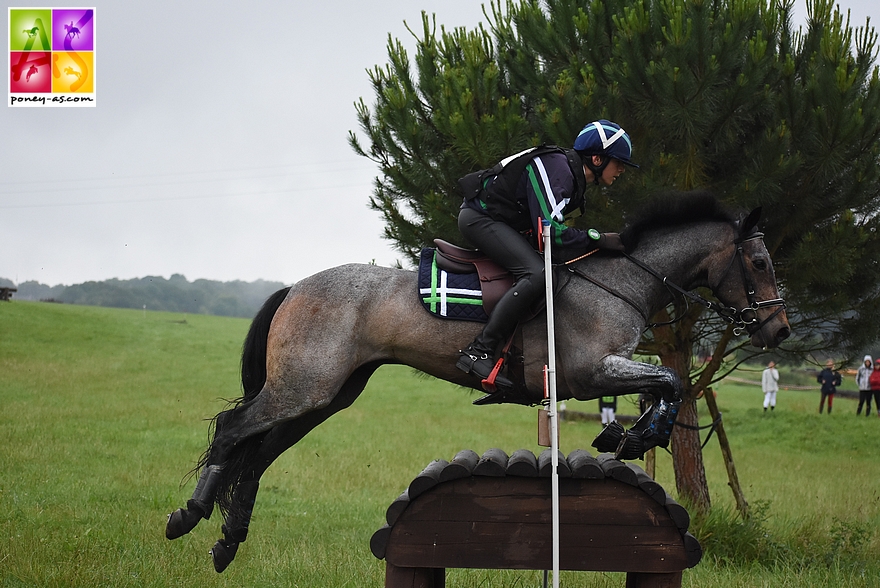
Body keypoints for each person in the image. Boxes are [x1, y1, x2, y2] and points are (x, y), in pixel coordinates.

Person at [456, 120, 636, 395]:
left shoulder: (571, 175)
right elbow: (550, 234)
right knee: (538, 274)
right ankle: (478, 351)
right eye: (619, 163)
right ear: (598, 159)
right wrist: (598, 238)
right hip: (479, 219)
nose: (622, 170)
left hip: (501, 221)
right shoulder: (558, 170)